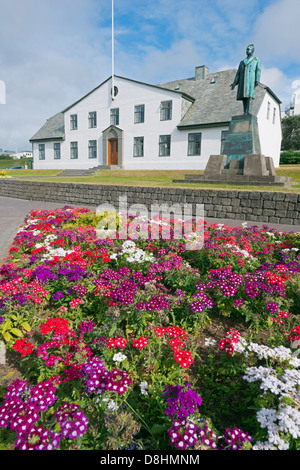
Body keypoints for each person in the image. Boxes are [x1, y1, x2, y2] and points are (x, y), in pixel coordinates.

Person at [231, 44, 261, 114]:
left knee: (249, 95)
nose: (247, 51)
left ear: (252, 50)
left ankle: (248, 111)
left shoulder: (256, 60)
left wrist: (257, 80)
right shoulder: (242, 62)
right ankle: (245, 112)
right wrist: (235, 82)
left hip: (251, 79)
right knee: (244, 95)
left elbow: (258, 70)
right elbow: (238, 73)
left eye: (248, 49)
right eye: (246, 49)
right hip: (243, 80)